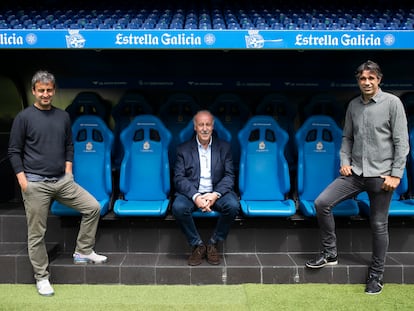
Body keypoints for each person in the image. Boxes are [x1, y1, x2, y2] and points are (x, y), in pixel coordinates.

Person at [305, 60, 409, 295]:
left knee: (379, 225)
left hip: (381, 176)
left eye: (371, 78)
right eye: (363, 78)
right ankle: (330, 254)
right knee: (322, 203)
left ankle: (376, 275)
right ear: (358, 81)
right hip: (356, 173)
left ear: (379, 80)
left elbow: (402, 143)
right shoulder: (353, 105)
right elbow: (347, 138)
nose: (367, 82)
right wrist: (345, 162)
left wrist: (396, 174)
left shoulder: (393, 103)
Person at [8, 70, 107, 297]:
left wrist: (69, 171)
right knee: (37, 234)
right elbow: (14, 152)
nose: (45, 94)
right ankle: (42, 278)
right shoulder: (23, 118)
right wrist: (24, 182)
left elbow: (69, 146)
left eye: (49, 90)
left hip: (62, 181)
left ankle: (83, 251)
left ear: (54, 91)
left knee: (92, 207)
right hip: (35, 184)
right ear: (34, 91)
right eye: (41, 90)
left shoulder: (62, 116)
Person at [172, 110, 240, 266]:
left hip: (216, 192)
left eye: (208, 124)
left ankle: (214, 243)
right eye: (201, 124)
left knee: (233, 205)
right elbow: (179, 178)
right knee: (178, 207)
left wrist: (215, 195)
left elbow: (229, 176)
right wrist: (196, 197)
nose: (204, 128)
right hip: (192, 193)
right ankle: (197, 245)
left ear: (213, 126)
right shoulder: (183, 149)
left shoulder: (224, 147)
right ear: (195, 127)